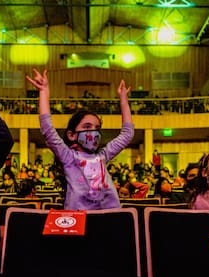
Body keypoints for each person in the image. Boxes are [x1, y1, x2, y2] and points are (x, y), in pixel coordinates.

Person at [27, 69, 134, 210]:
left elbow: (127, 134)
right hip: (78, 219)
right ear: (72, 135)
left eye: (97, 128)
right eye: (87, 126)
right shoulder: (68, 157)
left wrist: (123, 101)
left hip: (109, 217)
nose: (93, 132)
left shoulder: (103, 155)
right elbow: (47, 130)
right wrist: (43, 92)